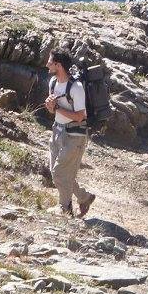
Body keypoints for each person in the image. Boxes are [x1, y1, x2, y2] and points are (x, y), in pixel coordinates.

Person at [45, 49, 95, 218]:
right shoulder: (53, 82)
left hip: (75, 136)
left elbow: (81, 117)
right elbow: (54, 111)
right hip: (57, 130)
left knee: (60, 172)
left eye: (50, 61)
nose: (47, 64)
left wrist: (57, 107)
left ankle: (64, 208)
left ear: (58, 65)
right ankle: (85, 198)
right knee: (58, 172)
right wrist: (50, 106)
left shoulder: (76, 87)